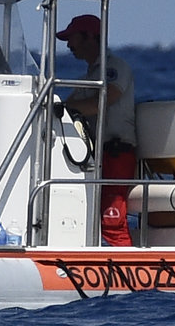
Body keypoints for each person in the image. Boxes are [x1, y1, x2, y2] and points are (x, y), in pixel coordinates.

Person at [55, 15, 140, 244]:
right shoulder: (88, 78)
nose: (68, 45)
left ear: (91, 37)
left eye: (72, 38)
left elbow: (103, 101)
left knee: (111, 221)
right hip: (96, 157)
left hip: (116, 154)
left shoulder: (115, 68)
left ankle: (127, 274)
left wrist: (66, 107)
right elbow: (67, 107)